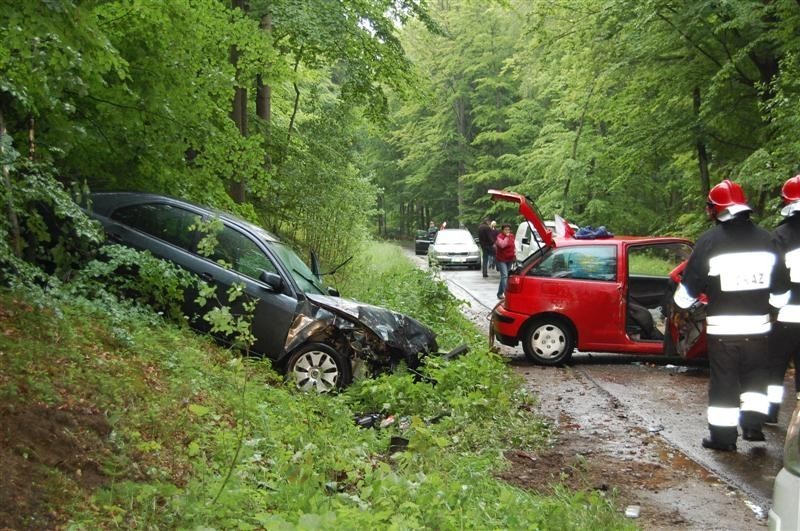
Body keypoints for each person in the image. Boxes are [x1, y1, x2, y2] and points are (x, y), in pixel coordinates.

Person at [673, 179, 787, 452]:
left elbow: (687, 293)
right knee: (756, 378)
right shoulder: (768, 239)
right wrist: (767, 309)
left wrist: (681, 307)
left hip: (723, 333)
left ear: (716, 210)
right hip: (759, 331)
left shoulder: (710, 242)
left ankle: (723, 439)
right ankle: (753, 428)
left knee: (725, 383)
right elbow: (781, 293)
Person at [765, 175, 800, 423]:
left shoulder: (780, 236)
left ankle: (770, 413)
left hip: (786, 316)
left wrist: (771, 310)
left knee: (775, 367)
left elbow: (774, 278)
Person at [494, 223, 515, 299]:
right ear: (502, 230)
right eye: (506, 229)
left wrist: (515, 254)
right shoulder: (499, 237)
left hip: (510, 259)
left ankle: (499, 293)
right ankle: (507, 294)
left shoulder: (512, 236)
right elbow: (502, 245)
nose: (507, 231)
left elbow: (513, 245)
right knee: (505, 276)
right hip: (501, 259)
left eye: (508, 229)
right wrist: (506, 237)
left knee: (504, 277)